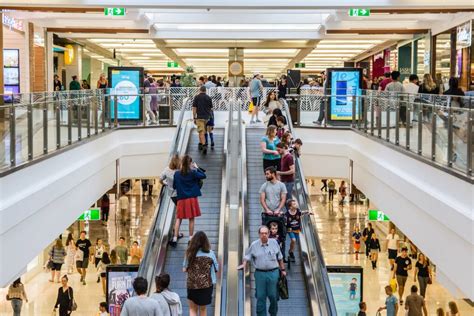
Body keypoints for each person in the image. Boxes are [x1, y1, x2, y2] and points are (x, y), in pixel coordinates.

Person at [238, 226, 286, 316]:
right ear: (259, 234)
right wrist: (244, 264)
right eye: (262, 233)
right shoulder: (254, 245)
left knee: (273, 296)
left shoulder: (274, 243)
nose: (264, 235)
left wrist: (283, 270)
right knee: (260, 296)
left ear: (268, 234)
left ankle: (273, 313)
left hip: (273, 273)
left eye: (265, 233)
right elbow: (247, 256)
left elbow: (280, 257)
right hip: (260, 274)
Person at [170, 155, 206, 247]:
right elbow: (203, 176)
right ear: (190, 163)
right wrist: (197, 168)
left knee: (179, 218)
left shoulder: (177, 174)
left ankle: (174, 239)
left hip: (181, 199)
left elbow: (174, 186)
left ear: (182, 163)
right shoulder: (193, 172)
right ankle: (190, 238)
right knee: (191, 218)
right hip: (191, 199)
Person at [183, 231, 218, 316]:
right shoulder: (210, 253)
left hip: (192, 285)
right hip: (206, 286)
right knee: (203, 309)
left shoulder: (189, 253)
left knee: (192, 309)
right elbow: (216, 268)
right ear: (206, 241)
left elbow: (184, 269)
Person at [192, 86, 213, 155]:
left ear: (200, 90)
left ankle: (204, 146)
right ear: (205, 90)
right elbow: (211, 108)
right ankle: (200, 143)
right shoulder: (209, 98)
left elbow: (194, 108)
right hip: (207, 117)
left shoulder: (197, 97)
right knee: (202, 130)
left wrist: (194, 117)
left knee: (201, 131)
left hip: (199, 117)